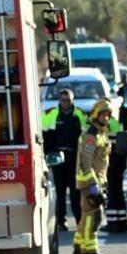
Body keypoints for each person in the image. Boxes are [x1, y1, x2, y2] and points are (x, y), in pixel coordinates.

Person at [40, 88, 85, 230]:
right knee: (59, 191)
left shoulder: (79, 114)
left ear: (73, 100)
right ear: (59, 100)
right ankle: (61, 221)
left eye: (69, 100)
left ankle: (79, 220)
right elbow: (43, 135)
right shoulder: (51, 114)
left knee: (75, 191)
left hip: (74, 158)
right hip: (57, 158)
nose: (66, 103)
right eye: (64, 100)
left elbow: (85, 136)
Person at [74, 97, 113, 254]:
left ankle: (78, 245)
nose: (105, 118)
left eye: (108, 115)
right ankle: (90, 250)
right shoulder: (92, 134)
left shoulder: (101, 133)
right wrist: (93, 184)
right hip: (90, 182)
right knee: (94, 216)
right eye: (103, 115)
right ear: (96, 115)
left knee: (86, 214)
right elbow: (85, 160)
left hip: (96, 181)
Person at [104, 106, 127, 233]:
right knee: (118, 192)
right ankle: (121, 222)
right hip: (119, 161)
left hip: (112, 161)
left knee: (112, 192)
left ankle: (113, 222)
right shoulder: (115, 122)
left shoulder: (108, 124)